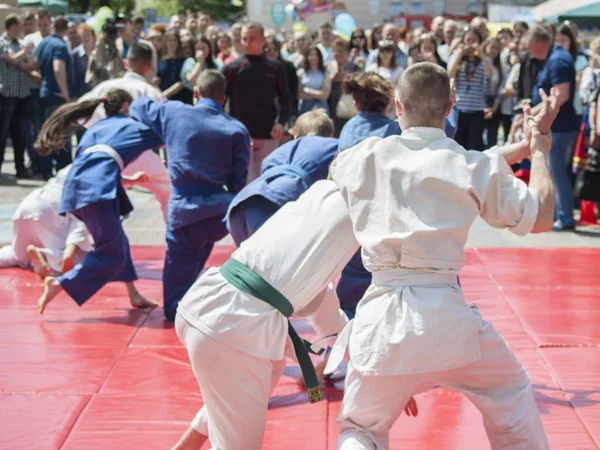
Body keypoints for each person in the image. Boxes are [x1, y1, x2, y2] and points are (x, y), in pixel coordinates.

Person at [326, 62, 557, 450]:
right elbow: (541, 215)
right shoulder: (470, 166)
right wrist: (540, 148)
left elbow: (425, 163)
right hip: (446, 317)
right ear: (451, 106)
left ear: (397, 106)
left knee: (361, 429)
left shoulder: (360, 158)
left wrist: (527, 145)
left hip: (381, 316)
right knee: (509, 392)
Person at [172, 179, 419, 450]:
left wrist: (377, 371)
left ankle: (185, 446)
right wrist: (382, 375)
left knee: (257, 378)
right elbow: (329, 320)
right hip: (232, 330)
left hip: (207, 305)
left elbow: (325, 312)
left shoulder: (317, 197)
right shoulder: (358, 218)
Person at [130, 69, 251, 322]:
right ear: (223, 98)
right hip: (219, 213)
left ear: (195, 93)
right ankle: (193, 302)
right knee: (197, 257)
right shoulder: (236, 129)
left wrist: (157, 95)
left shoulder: (174, 112)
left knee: (174, 299)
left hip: (186, 209)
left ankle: (182, 310)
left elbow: (139, 106)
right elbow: (238, 182)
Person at [34, 89, 164, 314]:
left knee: (118, 241)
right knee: (111, 252)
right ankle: (58, 284)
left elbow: (91, 163)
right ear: (126, 106)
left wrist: (125, 179)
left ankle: (133, 293)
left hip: (78, 187)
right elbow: (168, 134)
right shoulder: (132, 127)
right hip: (96, 188)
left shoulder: (95, 129)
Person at [78, 42, 170, 219]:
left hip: (102, 155)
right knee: (170, 195)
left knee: (94, 199)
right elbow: (165, 127)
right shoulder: (150, 91)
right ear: (149, 67)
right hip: (140, 154)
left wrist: (101, 128)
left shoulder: (105, 87)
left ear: (127, 63)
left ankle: (87, 236)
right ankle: (175, 240)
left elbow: (80, 112)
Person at [225, 109, 337, 247]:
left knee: (252, 263)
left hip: (241, 206)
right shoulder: (334, 147)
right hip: (281, 206)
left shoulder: (279, 152)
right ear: (330, 135)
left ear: (295, 136)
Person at [222, 22, 291, 182]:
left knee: (266, 179)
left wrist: (281, 123)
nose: (247, 43)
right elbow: (221, 99)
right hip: (241, 134)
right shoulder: (232, 68)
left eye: (252, 39)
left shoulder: (275, 68)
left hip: (268, 133)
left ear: (263, 39)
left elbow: (286, 100)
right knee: (243, 180)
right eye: (244, 39)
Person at [529, 25, 579, 230]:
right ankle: (562, 214)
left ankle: (565, 217)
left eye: (529, 45)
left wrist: (532, 113)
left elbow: (561, 95)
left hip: (561, 127)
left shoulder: (558, 60)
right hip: (560, 125)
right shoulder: (557, 58)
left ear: (537, 43)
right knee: (557, 172)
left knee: (558, 172)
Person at [0, 165, 91, 277]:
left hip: (28, 205)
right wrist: (70, 250)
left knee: (18, 256)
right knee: (88, 258)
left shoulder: (73, 167)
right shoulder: (95, 174)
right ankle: (49, 256)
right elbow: (79, 224)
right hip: (53, 209)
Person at [34, 15, 74, 179]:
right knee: (60, 133)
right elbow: (58, 69)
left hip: (44, 93)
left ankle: (43, 167)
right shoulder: (60, 46)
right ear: (65, 30)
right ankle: (60, 167)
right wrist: (66, 95)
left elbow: (35, 64)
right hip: (56, 96)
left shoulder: (44, 43)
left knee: (46, 131)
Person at [0, 14, 32, 179]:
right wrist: (23, 53)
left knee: (20, 135)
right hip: (6, 95)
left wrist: (20, 56)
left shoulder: (20, 44)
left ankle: (20, 168)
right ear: (12, 26)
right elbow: (12, 60)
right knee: (2, 135)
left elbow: (26, 63)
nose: (22, 29)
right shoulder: (2, 43)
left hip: (22, 96)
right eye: (20, 26)